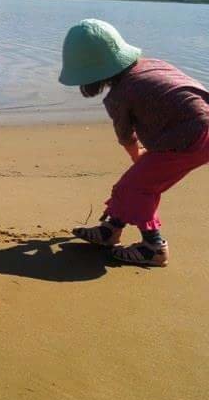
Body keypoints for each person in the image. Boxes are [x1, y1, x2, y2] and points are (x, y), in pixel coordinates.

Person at [59, 19, 209, 267]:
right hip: (198, 128)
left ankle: (153, 247)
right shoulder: (152, 64)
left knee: (136, 188)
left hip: (189, 139)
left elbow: (126, 136)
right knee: (134, 183)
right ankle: (110, 230)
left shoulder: (119, 95)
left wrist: (137, 155)